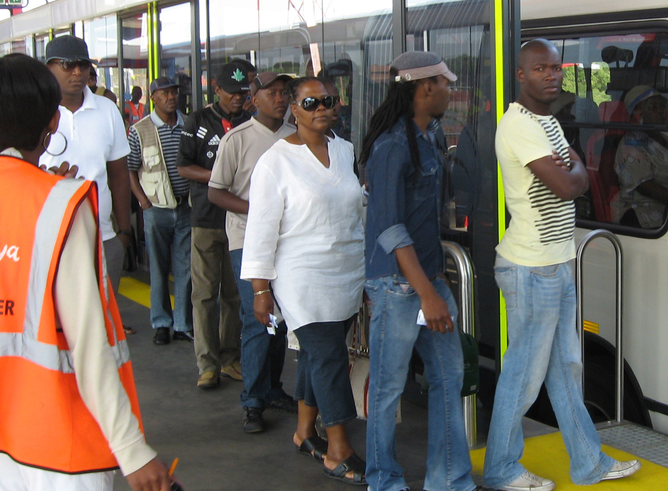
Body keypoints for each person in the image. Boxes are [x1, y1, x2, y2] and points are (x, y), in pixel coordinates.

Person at [0, 53, 174, 491]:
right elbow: (87, 340)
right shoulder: (65, 204)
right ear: (52, 123)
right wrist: (132, 450)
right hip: (57, 444)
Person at [484, 39, 639, 491]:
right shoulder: (518, 126)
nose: (551, 76)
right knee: (523, 376)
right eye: (541, 69)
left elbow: (579, 172)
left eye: (556, 68)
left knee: (567, 367)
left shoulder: (546, 121)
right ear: (521, 75)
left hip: (555, 261)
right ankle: (501, 468)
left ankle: (589, 462)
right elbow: (570, 184)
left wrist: (572, 170)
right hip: (532, 267)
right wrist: (572, 171)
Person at [360, 51, 477, 491]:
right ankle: (384, 481)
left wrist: (436, 282)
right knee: (388, 390)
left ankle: (449, 479)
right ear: (425, 87)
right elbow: (390, 228)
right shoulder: (392, 146)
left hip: (427, 280)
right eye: (446, 84)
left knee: (449, 378)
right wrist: (427, 294)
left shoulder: (429, 137)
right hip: (397, 286)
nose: (451, 90)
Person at [243, 76, 367, 485]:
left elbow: (356, 210)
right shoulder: (275, 161)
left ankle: (303, 431)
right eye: (312, 102)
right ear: (293, 110)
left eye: (329, 100)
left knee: (317, 356)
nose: (323, 108)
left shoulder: (344, 150)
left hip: (346, 272)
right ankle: (338, 449)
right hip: (300, 276)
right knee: (329, 356)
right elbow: (260, 229)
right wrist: (261, 290)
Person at [208, 72, 298, 434]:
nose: (279, 99)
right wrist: (258, 210)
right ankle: (253, 401)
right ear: (254, 98)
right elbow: (216, 191)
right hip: (247, 242)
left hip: (289, 242)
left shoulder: (296, 136)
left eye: (284, 93)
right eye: (271, 93)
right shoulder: (237, 139)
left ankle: (272, 388)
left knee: (281, 320)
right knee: (257, 318)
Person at [39, 35, 134, 314]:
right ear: (49, 68)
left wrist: (124, 233)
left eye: (83, 65)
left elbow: (118, 174)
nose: (78, 72)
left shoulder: (106, 110)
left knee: (101, 319)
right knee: (55, 319)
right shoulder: (37, 110)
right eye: (67, 65)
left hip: (102, 238)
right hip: (50, 237)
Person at [178, 61, 252, 389]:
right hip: (206, 219)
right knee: (205, 294)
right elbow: (183, 166)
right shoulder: (197, 120)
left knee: (234, 295)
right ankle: (206, 364)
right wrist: (217, 177)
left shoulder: (251, 122)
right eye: (232, 93)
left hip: (240, 221)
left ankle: (230, 358)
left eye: (243, 93)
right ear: (217, 90)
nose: (238, 99)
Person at [127, 76, 193, 346]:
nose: (171, 97)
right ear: (153, 98)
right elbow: (130, 169)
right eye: (164, 93)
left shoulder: (188, 124)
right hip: (156, 209)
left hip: (186, 207)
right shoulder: (139, 130)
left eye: (174, 92)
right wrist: (142, 201)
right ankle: (161, 322)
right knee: (158, 267)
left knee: (186, 268)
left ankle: (182, 323)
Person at [611, 86, 668, 229]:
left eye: (662, 106)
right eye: (653, 107)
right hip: (642, 212)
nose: (661, 111)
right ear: (639, 113)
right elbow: (646, 188)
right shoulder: (630, 145)